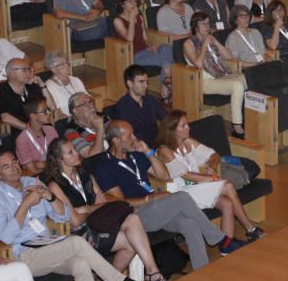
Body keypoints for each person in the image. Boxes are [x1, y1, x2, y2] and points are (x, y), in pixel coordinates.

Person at [0, 149, 144, 281]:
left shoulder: (32, 182)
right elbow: (5, 238)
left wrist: (50, 197)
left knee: (81, 265)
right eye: (6, 167)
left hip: (48, 246)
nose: (14, 168)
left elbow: (61, 216)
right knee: (76, 242)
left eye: (15, 161)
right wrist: (26, 204)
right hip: (23, 255)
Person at [95, 120, 237, 267]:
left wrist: (148, 152)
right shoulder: (105, 167)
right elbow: (121, 203)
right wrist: (150, 198)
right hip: (136, 216)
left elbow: (164, 176)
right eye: (130, 136)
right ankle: (219, 239)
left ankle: (202, 269)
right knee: (181, 197)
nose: (135, 138)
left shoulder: (134, 156)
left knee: (190, 224)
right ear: (116, 141)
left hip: (156, 208)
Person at [46, 137, 168, 281]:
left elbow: (103, 202)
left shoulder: (84, 174)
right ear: (59, 160)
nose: (76, 153)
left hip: (98, 221)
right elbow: (75, 221)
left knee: (133, 219)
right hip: (80, 234)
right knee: (132, 241)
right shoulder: (55, 185)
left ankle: (151, 271)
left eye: (75, 149)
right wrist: (91, 207)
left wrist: (86, 209)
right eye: (70, 152)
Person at [157, 109, 265, 243]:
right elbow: (186, 175)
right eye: (183, 125)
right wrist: (213, 179)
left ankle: (226, 245)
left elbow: (214, 155)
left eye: (187, 124)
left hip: (197, 189)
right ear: (172, 130)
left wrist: (212, 166)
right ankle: (251, 229)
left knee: (227, 204)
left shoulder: (188, 142)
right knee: (228, 186)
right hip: (182, 194)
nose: (188, 128)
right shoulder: (164, 150)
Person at [183, 11, 246, 138]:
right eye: (203, 23)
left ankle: (249, 117)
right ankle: (237, 125)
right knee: (237, 86)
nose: (207, 26)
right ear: (196, 26)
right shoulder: (188, 43)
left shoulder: (211, 39)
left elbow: (230, 56)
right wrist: (205, 45)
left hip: (221, 74)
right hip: (204, 80)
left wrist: (215, 42)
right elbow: (198, 64)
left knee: (249, 78)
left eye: (208, 23)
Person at [112, 0, 173, 100]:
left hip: (145, 50)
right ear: (122, 4)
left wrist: (150, 46)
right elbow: (129, 40)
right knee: (168, 61)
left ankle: (166, 83)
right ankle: (166, 85)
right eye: (129, 1)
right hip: (133, 55)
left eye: (135, 0)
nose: (133, 3)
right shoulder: (117, 20)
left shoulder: (139, 17)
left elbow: (145, 37)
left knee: (167, 47)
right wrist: (131, 19)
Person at [0, 58, 55, 132]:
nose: (28, 73)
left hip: (41, 128)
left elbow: (51, 107)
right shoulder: (0, 90)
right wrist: (30, 130)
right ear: (11, 73)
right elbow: (5, 117)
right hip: (19, 132)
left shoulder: (32, 86)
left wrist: (42, 85)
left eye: (29, 69)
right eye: (24, 70)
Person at [115, 64, 168, 147]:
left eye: (147, 82)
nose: (146, 86)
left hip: (158, 143)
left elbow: (166, 118)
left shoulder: (150, 99)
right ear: (130, 83)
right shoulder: (122, 107)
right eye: (141, 82)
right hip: (141, 148)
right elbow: (131, 138)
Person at [15, 96, 59, 177]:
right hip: (40, 178)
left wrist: (40, 163)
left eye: (48, 109)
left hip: (57, 172)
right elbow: (33, 170)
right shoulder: (22, 140)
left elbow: (60, 157)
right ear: (33, 116)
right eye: (44, 111)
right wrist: (50, 165)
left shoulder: (50, 130)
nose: (49, 113)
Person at [63, 92, 107, 167]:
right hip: (97, 168)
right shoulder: (71, 132)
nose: (91, 105)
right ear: (75, 111)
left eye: (90, 101)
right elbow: (92, 157)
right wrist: (100, 129)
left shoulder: (103, 117)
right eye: (84, 104)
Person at [44, 50, 86, 117]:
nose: (67, 66)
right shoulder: (49, 86)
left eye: (67, 62)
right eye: (63, 64)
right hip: (68, 121)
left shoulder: (76, 80)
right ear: (53, 69)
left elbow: (87, 99)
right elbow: (56, 113)